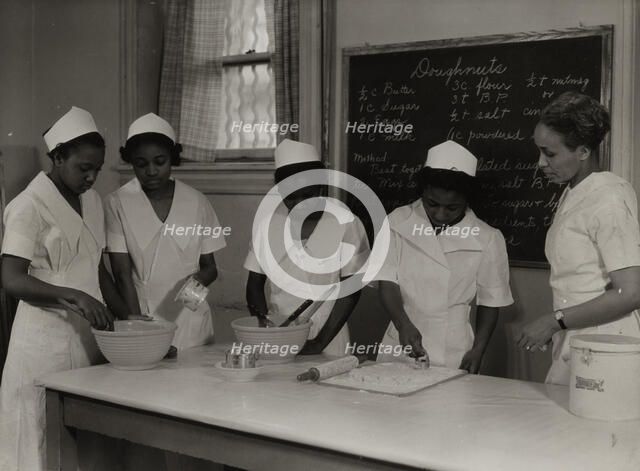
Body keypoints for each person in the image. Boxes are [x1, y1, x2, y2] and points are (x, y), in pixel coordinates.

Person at [0, 107, 127, 471]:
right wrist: (73, 296)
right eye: (83, 168)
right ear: (57, 158)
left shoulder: (92, 202)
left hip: (88, 340)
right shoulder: (28, 206)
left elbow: (97, 271)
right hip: (42, 343)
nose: (91, 177)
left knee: (84, 443)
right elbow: (11, 278)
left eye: (97, 169)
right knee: (39, 438)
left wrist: (131, 320)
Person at [518, 91, 640, 385]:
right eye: (540, 151)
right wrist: (559, 324)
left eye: (550, 153)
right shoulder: (575, 191)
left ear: (583, 152)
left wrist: (553, 321)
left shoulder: (608, 197)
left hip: (608, 341)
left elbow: (631, 293)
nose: (541, 163)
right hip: (579, 335)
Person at [376, 140, 513, 371]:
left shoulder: (487, 237)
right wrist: (403, 325)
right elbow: (386, 281)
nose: (440, 214)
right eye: (432, 204)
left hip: (455, 348)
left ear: (467, 200)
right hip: (401, 339)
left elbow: (491, 302)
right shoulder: (396, 222)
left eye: (452, 208)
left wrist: (478, 349)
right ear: (423, 192)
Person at [105, 113, 226, 351]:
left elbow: (210, 268)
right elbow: (122, 274)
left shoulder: (197, 201)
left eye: (159, 162)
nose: (151, 171)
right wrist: (140, 329)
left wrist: (182, 303)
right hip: (143, 316)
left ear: (172, 158)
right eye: (141, 164)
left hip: (191, 318)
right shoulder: (117, 203)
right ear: (131, 162)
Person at [244, 139, 370, 356]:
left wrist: (319, 343)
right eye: (292, 197)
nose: (301, 204)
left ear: (322, 187)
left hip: (329, 336)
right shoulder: (268, 225)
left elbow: (350, 292)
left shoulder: (346, 223)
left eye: (308, 194)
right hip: (279, 333)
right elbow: (254, 283)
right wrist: (265, 327)